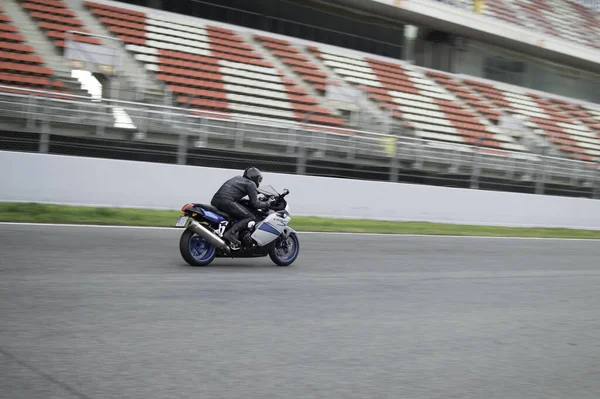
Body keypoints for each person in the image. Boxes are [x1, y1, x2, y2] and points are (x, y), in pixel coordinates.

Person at [211, 167, 271, 247]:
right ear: (255, 177)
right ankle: (230, 234)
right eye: (258, 179)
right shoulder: (250, 184)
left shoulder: (237, 178)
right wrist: (268, 203)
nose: (258, 181)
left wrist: (245, 201)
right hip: (226, 201)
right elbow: (255, 204)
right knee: (250, 216)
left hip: (216, 201)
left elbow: (233, 193)